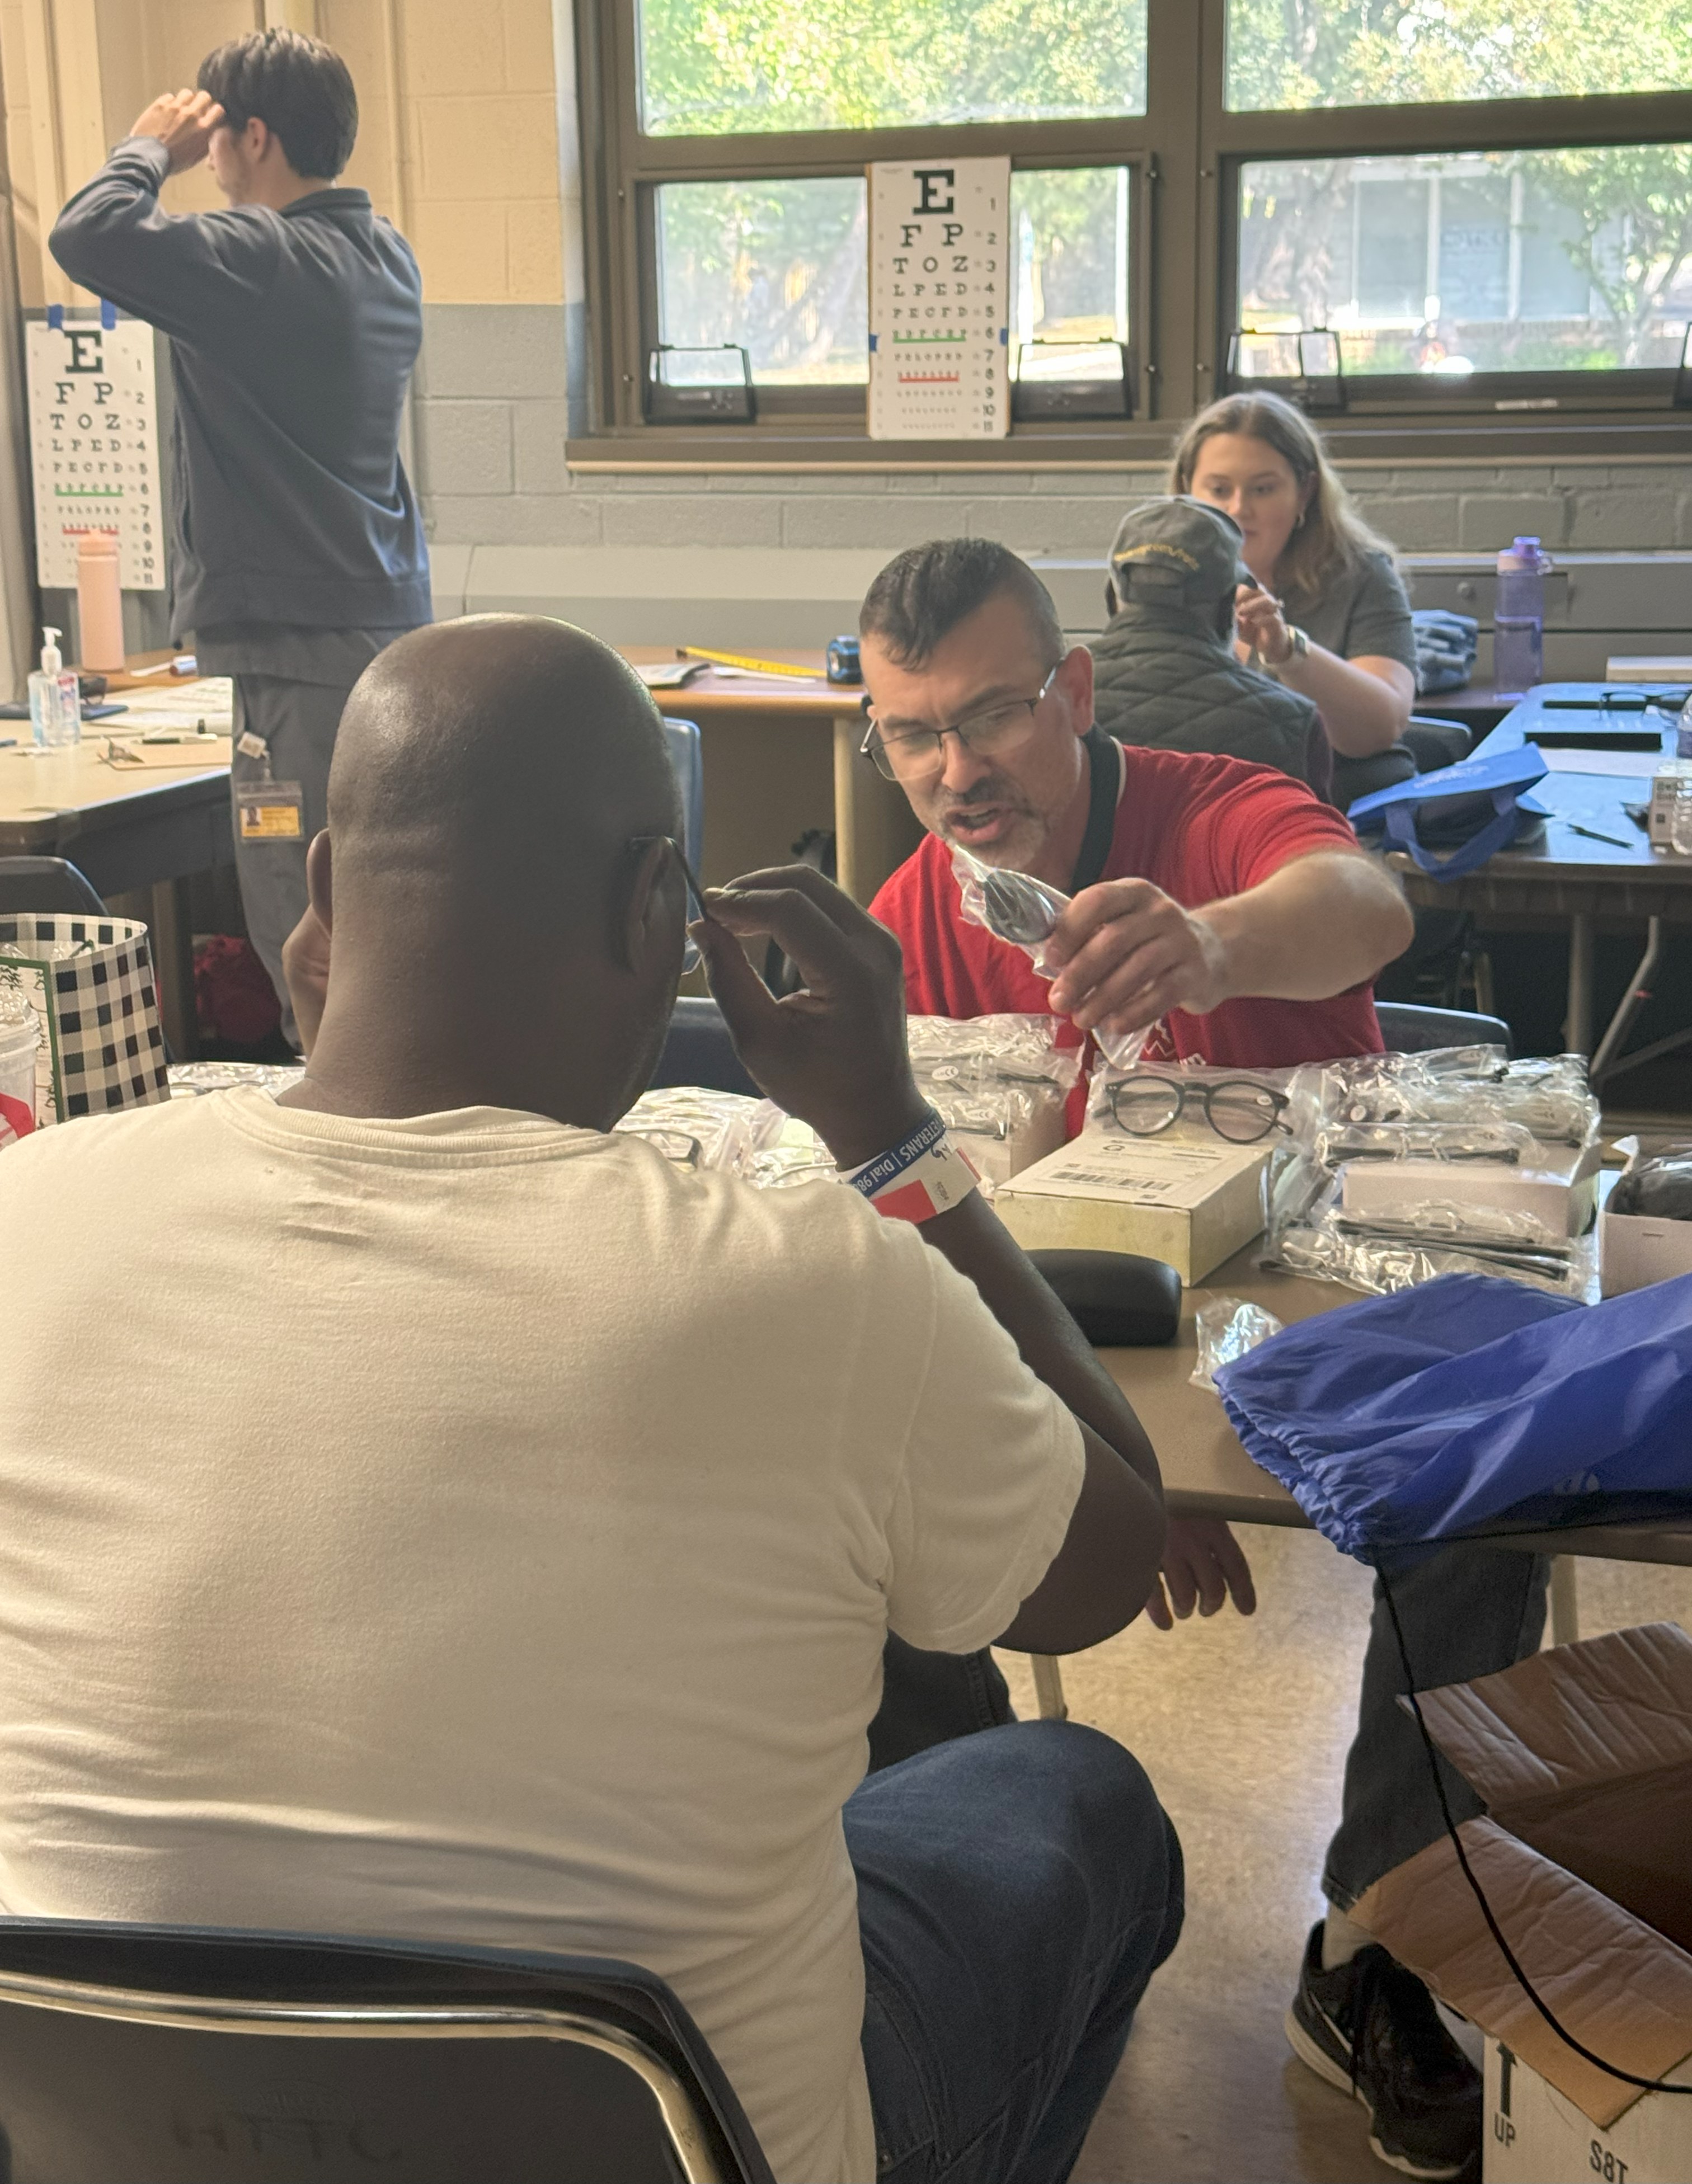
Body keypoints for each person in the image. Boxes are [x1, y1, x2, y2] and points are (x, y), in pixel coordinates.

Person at [0, 614, 1182, 2184]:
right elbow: (1106, 1566)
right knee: (1074, 1795)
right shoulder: (804, 1286)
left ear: (328, 896)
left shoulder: (33, 1214)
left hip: (125, 2130)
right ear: (657, 912)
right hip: (683, 2142)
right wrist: (893, 1132)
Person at [861, 539, 1536, 2183]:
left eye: (999, 715)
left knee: (1483, 1506)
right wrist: (1111, 1460)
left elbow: (1366, 907)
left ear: (1075, 694)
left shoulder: (1210, 802)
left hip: (1330, 1287)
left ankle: (1376, 1942)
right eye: (912, 734)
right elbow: (935, 1245)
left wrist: (1217, 946)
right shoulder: (915, 918)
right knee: (856, 1497)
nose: (959, 770)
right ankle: (954, 1921)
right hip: (1100, 1332)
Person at [49, 28, 430, 1046]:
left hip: (288, 659)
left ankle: (344, 1150)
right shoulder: (384, 255)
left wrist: (147, 152)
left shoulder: (261, 260)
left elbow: (87, 236)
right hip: (375, 638)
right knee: (376, 921)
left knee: (305, 938)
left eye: (215, 139)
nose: (206, 163)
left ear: (250, 134)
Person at [1171, 391, 1416, 766]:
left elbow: (1382, 726)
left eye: (1263, 489)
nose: (1239, 508)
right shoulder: (1160, 581)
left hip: (1337, 807)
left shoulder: (1362, 574)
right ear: (1187, 491)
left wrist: (1287, 651)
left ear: (1305, 492)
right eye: (1219, 490)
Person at [1088, 496, 1333, 799]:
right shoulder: (1293, 722)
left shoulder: (1054, 692)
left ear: (1113, 596)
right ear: (1229, 604)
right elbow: (1319, 842)